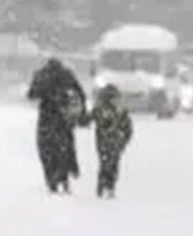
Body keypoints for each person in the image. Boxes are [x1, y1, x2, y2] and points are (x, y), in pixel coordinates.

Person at [27, 58, 87, 194]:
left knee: (46, 149)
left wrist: (44, 93)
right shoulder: (67, 74)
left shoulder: (41, 75)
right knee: (65, 147)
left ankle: (51, 179)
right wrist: (81, 113)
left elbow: (31, 94)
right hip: (63, 116)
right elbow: (80, 93)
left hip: (46, 117)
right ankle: (65, 175)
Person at [91, 84, 134, 198]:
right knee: (105, 162)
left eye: (116, 98)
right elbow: (89, 118)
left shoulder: (121, 111)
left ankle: (110, 185)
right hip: (103, 141)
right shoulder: (100, 110)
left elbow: (128, 127)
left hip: (117, 141)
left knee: (113, 163)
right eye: (112, 98)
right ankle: (103, 184)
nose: (115, 101)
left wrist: (124, 140)